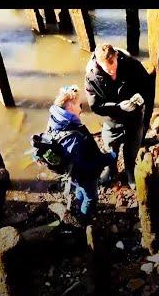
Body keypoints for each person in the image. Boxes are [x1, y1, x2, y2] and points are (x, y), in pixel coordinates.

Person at [84, 43, 149, 188]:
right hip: (112, 121)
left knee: (132, 148)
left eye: (114, 66)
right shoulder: (91, 77)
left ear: (117, 56)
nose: (113, 72)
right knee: (110, 147)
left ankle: (130, 172)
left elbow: (147, 85)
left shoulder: (131, 64)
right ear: (99, 64)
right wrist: (118, 107)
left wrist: (141, 98)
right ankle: (111, 169)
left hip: (135, 117)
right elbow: (95, 106)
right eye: (108, 70)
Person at [47, 85, 115, 221]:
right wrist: (108, 158)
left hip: (74, 173)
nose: (81, 109)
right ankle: (85, 218)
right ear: (70, 106)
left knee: (80, 189)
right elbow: (85, 166)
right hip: (84, 175)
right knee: (91, 198)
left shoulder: (55, 120)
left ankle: (78, 202)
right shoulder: (74, 138)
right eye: (80, 105)